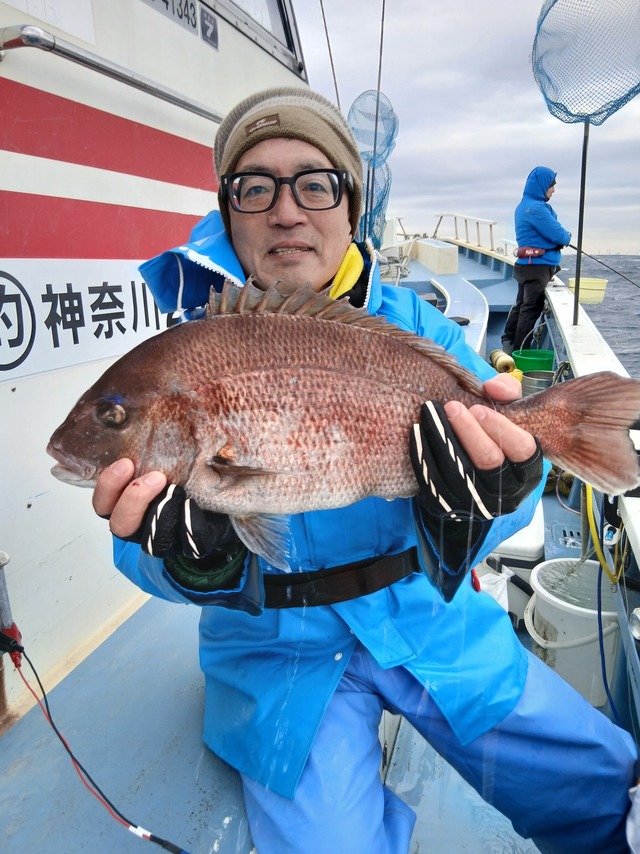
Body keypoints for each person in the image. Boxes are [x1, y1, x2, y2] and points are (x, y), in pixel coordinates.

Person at [93, 89, 636, 853]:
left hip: (429, 614)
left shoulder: (420, 333)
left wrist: (497, 494)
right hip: (276, 657)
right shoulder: (186, 355)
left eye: (315, 184)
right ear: (228, 211)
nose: (287, 211)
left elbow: (508, 490)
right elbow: (132, 548)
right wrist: (195, 561)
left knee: (599, 785)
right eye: (255, 187)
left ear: (351, 208)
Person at [502, 166, 571, 355]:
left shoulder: (523, 206)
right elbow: (560, 236)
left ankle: (508, 343)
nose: (553, 190)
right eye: (551, 186)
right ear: (542, 186)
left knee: (521, 306)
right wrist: (568, 236)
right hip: (537, 268)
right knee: (530, 309)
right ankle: (520, 352)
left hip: (526, 267)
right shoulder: (537, 209)